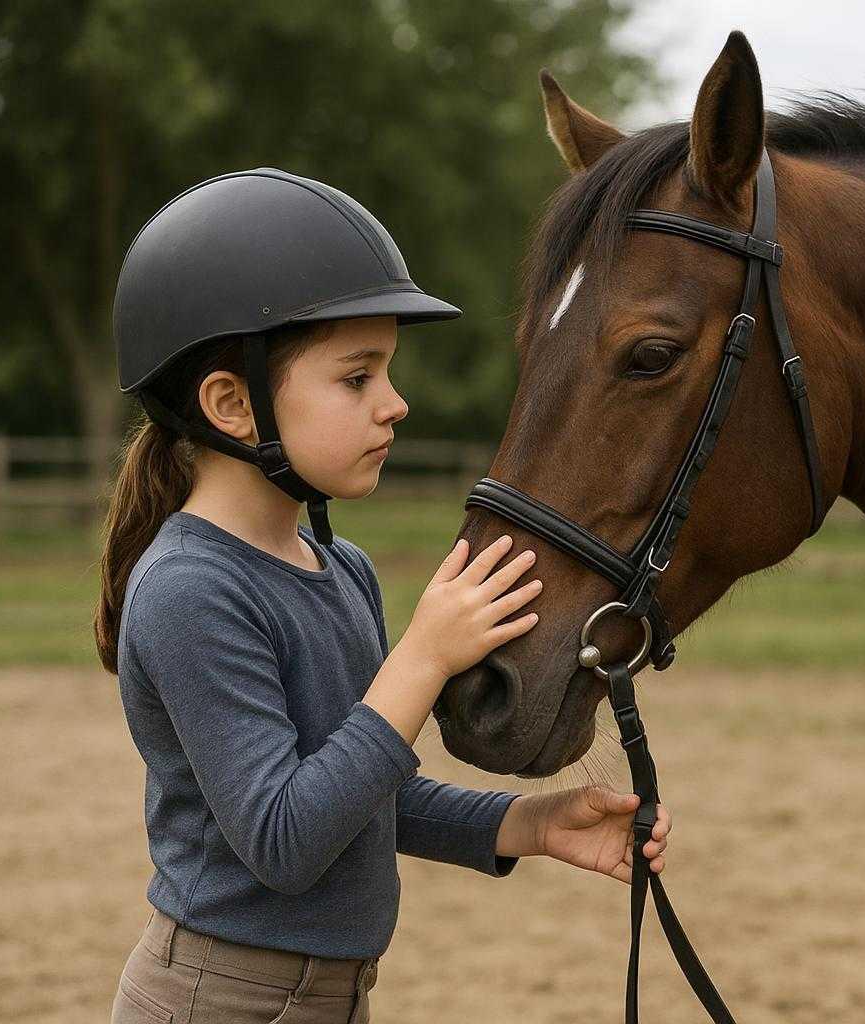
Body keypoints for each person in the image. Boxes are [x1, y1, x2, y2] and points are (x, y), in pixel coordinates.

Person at [95, 167, 670, 1024]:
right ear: (231, 404)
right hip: (220, 1001)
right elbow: (286, 841)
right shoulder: (190, 590)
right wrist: (424, 657)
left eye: (387, 374)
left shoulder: (343, 568)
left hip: (332, 998)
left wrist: (530, 825)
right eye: (357, 378)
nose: (395, 405)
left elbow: (361, 800)